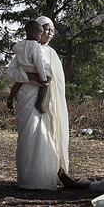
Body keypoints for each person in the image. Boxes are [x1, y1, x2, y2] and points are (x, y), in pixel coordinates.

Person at [7, 16, 69, 191]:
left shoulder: (52, 53)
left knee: (46, 136)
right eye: (45, 29)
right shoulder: (24, 49)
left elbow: (56, 80)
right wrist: (31, 78)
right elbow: (12, 71)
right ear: (36, 31)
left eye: (51, 30)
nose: (48, 33)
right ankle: (29, 179)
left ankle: (47, 175)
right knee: (30, 135)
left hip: (48, 101)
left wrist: (39, 80)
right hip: (27, 97)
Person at [7, 20, 51, 114]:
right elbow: (38, 62)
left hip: (23, 69)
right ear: (35, 34)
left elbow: (14, 49)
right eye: (40, 34)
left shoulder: (20, 45)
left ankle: (10, 98)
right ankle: (39, 103)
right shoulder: (35, 45)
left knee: (18, 83)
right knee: (47, 82)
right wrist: (43, 78)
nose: (40, 37)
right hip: (33, 69)